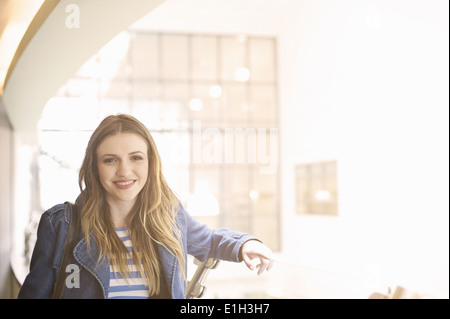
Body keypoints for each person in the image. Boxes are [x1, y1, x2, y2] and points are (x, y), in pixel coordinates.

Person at [18, 114, 274, 299]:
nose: (124, 171)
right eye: (110, 160)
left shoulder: (169, 216)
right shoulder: (60, 224)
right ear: (95, 166)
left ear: (151, 163)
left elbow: (209, 240)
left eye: (136, 158)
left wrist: (245, 244)